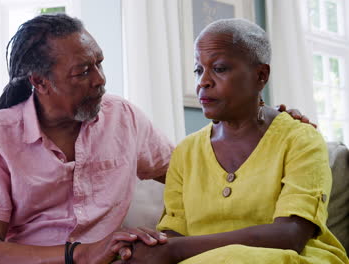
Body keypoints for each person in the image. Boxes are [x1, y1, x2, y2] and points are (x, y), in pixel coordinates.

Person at [0, 14, 318, 264]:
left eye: (99, 64)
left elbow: (195, 171)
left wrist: (264, 119)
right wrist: (80, 254)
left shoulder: (123, 117)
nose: (100, 80)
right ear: (39, 82)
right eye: (83, 72)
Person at [123, 18, 349, 264]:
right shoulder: (186, 151)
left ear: (260, 75)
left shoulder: (301, 140)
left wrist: (175, 250)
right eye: (199, 70)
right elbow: (175, 232)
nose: (203, 82)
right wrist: (148, 246)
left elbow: (291, 235)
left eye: (219, 69)